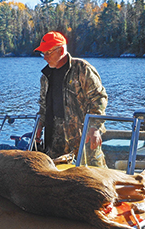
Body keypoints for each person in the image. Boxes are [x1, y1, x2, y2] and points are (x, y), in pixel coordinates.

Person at [34, 31, 108, 166]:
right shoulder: (45, 77)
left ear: (61, 50)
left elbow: (99, 98)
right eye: (43, 53)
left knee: (93, 176)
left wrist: (95, 127)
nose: (45, 57)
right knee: (56, 179)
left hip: (83, 138)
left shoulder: (82, 69)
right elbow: (43, 106)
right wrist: (39, 127)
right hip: (55, 140)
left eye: (48, 53)